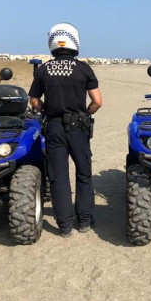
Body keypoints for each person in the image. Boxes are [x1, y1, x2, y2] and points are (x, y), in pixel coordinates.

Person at [29, 23, 102, 238]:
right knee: (83, 173)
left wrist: (47, 110)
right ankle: (85, 221)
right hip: (78, 127)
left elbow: (34, 100)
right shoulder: (84, 68)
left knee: (58, 177)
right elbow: (97, 101)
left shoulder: (43, 69)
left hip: (53, 127)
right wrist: (86, 114)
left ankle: (65, 226)